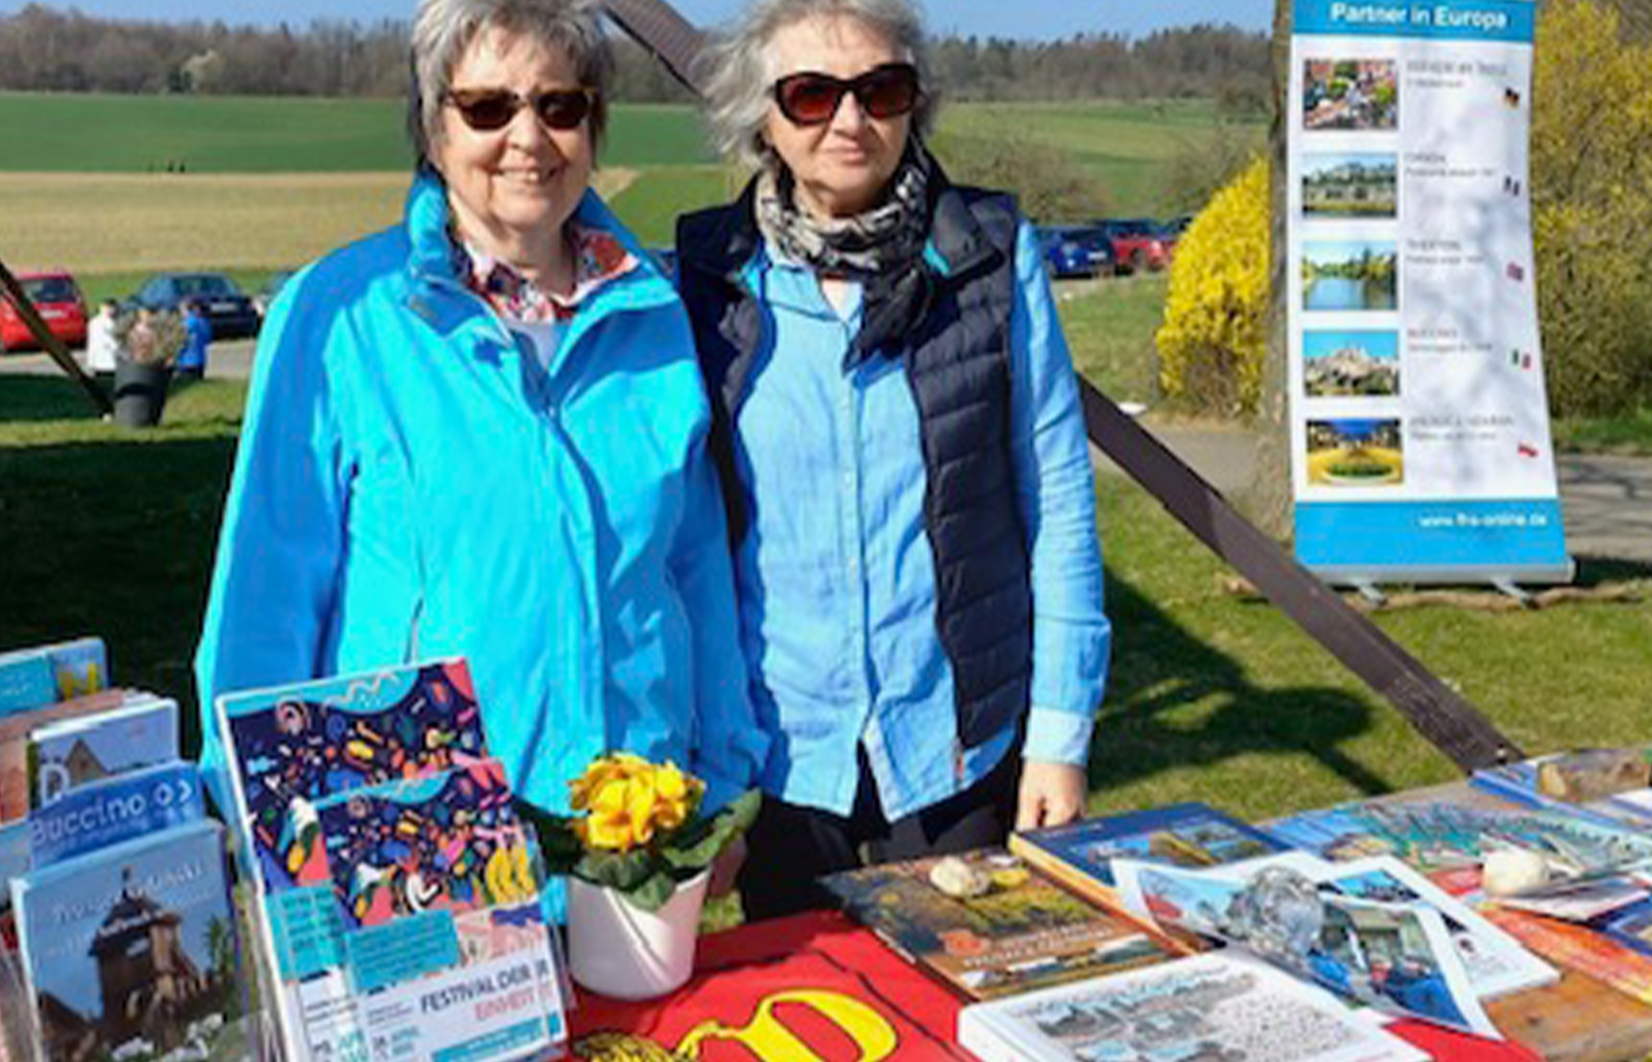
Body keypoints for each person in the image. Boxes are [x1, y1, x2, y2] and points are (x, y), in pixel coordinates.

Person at [194, 0, 762, 825]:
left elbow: (695, 570)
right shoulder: (340, 316)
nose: (528, 139)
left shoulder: (656, 314)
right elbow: (267, 597)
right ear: (433, 130)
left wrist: (724, 775)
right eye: (489, 108)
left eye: (559, 106)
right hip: (423, 841)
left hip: (633, 831)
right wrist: (257, 821)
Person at [677, 0, 1110, 919]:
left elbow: (1060, 502)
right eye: (809, 94)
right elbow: (688, 538)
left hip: (957, 737)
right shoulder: (707, 282)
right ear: (762, 116)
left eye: (881, 89)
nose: (849, 119)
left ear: (916, 104)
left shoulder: (993, 257)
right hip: (784, 745)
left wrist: (1061, 737)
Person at [175, 299, 210, 379]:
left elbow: (180, 340)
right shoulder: (203, 321)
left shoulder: (188, 323)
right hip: (200, 359)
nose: (180, 313)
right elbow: (207, 339)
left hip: (186, 361)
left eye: (181, 310)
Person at [85, 299, 120, 375]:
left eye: (113, 308)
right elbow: (109, 342)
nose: (112, 311)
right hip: (108, 362)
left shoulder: (94, 322)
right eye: (109, 308)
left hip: (100, 362)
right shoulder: (103, 322)